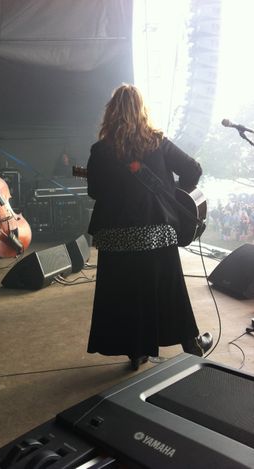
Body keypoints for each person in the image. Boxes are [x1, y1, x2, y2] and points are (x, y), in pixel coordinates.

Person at [86, 84, 213, 370]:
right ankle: (191, 344)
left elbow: (94, 191)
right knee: (171, 290)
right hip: (156, 232)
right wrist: (172, 191)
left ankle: (137, 351)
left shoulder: (101, 149)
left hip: (115, 237)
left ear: (111, 112)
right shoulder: (157, 142)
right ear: (142, 111)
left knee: (125, 291)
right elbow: (193, 169)